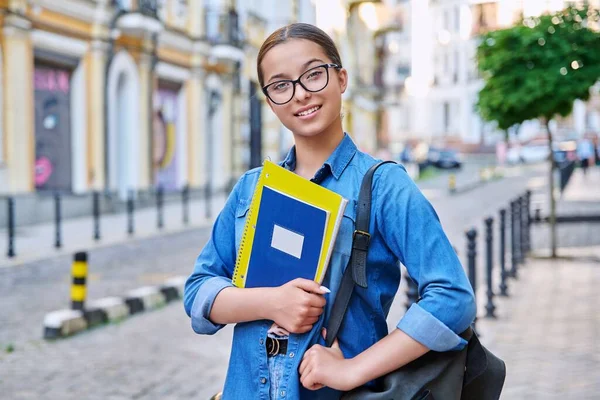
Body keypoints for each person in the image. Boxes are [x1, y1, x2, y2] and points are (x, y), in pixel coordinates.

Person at [184, 23, 476, 399]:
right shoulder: (252, 189)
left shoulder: (382, 185)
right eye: (281, 85)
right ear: (270, 101)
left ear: (341, 78)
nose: (300, 94)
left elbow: (452, 298)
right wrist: (271, 302)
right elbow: (198, 290)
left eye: (313, 75)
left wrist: (353, 368)